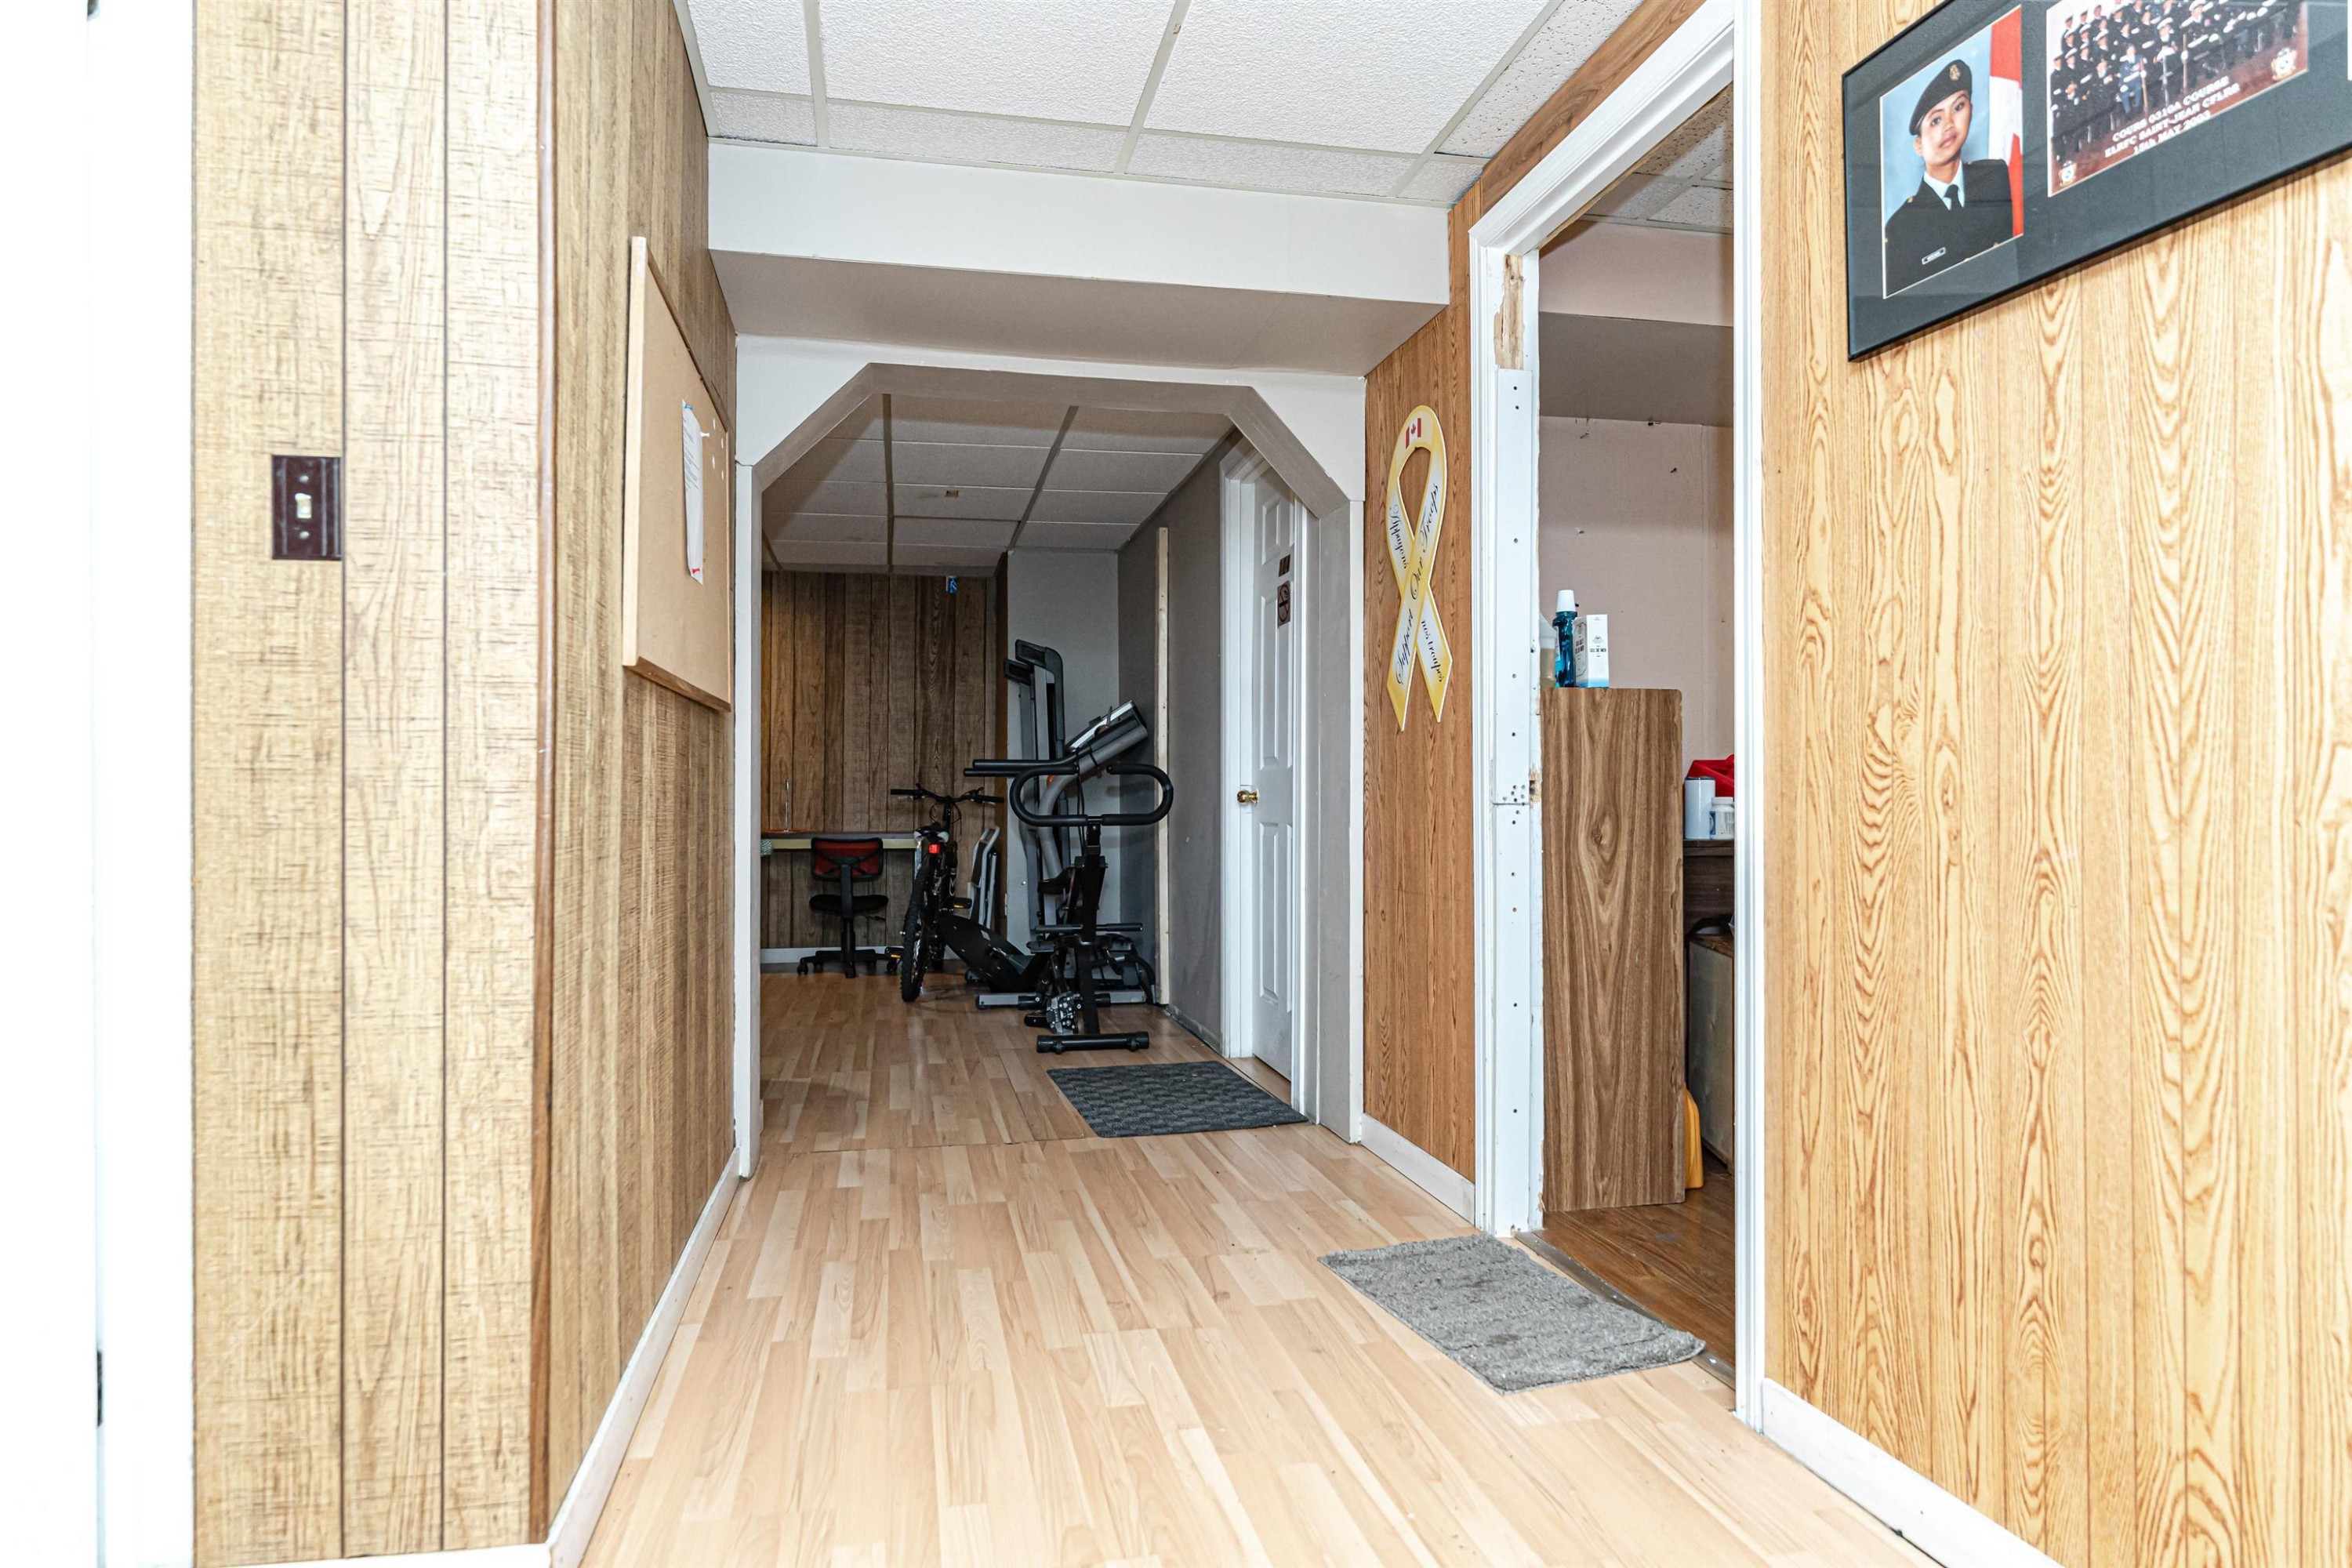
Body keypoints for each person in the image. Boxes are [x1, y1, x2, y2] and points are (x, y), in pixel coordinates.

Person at [1884, 57, 2016, 294]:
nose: (1948, 125)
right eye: (1935, 120)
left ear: (1971, 111)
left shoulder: (1997, 176)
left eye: (1958, 107)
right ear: (1918, 145)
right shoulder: (1900, 229)